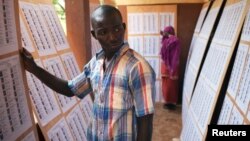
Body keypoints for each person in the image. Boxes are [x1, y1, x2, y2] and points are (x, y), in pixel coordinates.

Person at [21, 5, 156, 141]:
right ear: (94, 35)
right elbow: (69, 89)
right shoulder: (95, 64)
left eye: (116, 29)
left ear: (124, 27)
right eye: (103, 32)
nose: (112, 37)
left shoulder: (137, 67)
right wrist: (34, 68)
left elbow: (145, 121)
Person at [160, 26, 180, 110]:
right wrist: (165, 35)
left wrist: (167, 35)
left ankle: (172, 103)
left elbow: (174, 40)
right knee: (166, 85)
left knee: (172, 85)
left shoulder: (175, 40)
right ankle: (167, 102)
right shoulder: (165, 41)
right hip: (166, 67)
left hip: (173, 66)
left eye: (167, 32)